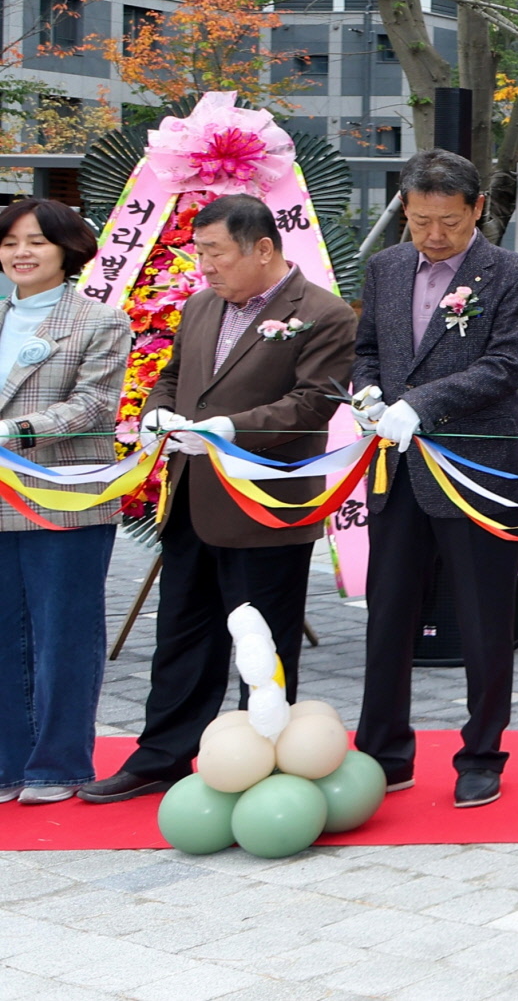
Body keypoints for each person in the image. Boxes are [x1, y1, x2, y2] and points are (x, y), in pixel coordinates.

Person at [84, 194, 355, 804]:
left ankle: (263, 760)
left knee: (263, 643)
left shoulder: (323, 313)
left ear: (263, 248)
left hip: (265, 502)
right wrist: (156, 416)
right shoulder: (203, 304)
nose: (204, 267)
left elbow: (314, 401)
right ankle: (163, 755)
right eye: (199, 252)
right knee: (182, 632)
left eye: (215, 253)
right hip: (191, 496)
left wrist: (230, 431)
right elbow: (173, 377)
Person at [350, 150, 518, 808]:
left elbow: (507, 363)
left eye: (449, 223)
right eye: (419, 221)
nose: (433, 236)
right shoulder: (385, 267)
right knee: (388, 614)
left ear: (477, 210)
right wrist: (370, 395)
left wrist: (420, 404)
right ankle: (382, 751)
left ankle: (482, 752)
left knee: (484, 618)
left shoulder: (512, 274)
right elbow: (368, 349)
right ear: (404, 210)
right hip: (398, 466)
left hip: (476, 466)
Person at [0, 199, 132, 806]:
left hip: (63, 495)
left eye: (36, 242)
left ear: (67, 249)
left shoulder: (100, 321)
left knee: (64, 634)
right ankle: (7, 766)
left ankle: (57, 766)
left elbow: (93, 408)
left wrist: (14, 432)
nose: (21, 253)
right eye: (10, 243)